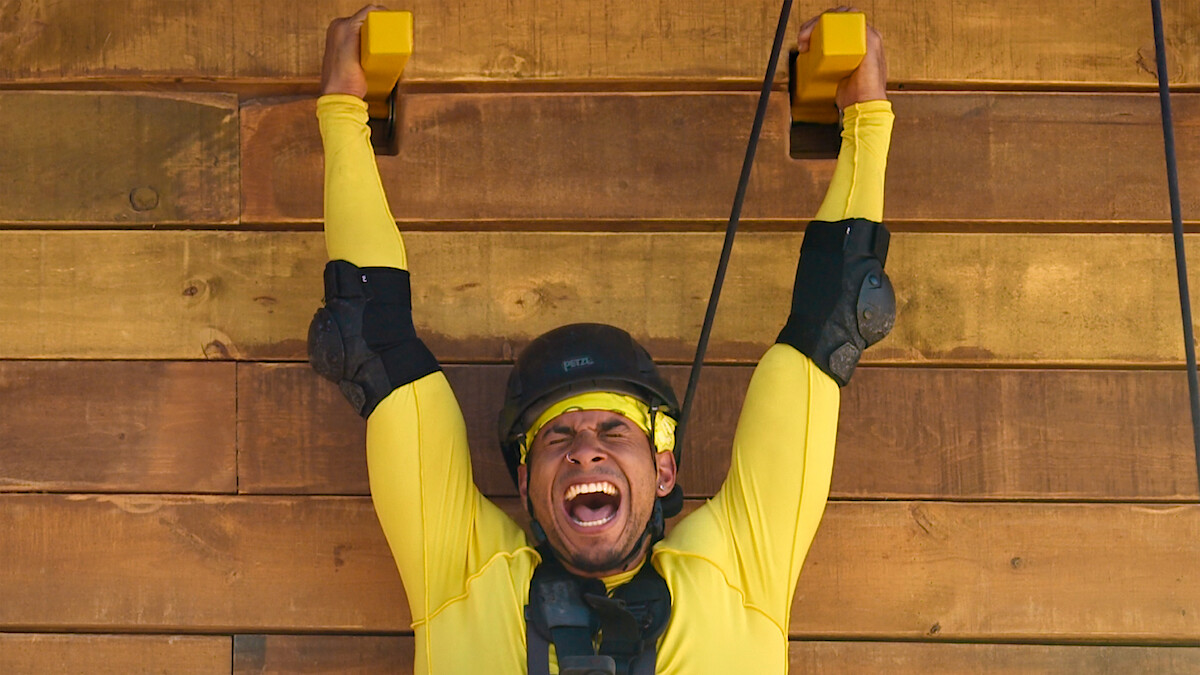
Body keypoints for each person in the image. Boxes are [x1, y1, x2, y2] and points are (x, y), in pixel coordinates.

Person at [308, 5, 894, 673]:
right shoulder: (463, 572)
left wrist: (869, 120)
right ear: (526, 481)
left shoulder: (739, 564)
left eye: (615, 431)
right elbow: (369, 335)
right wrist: (344, 111)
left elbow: (836, 321)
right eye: (558, 435)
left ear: (665, 468)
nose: (585, 450)